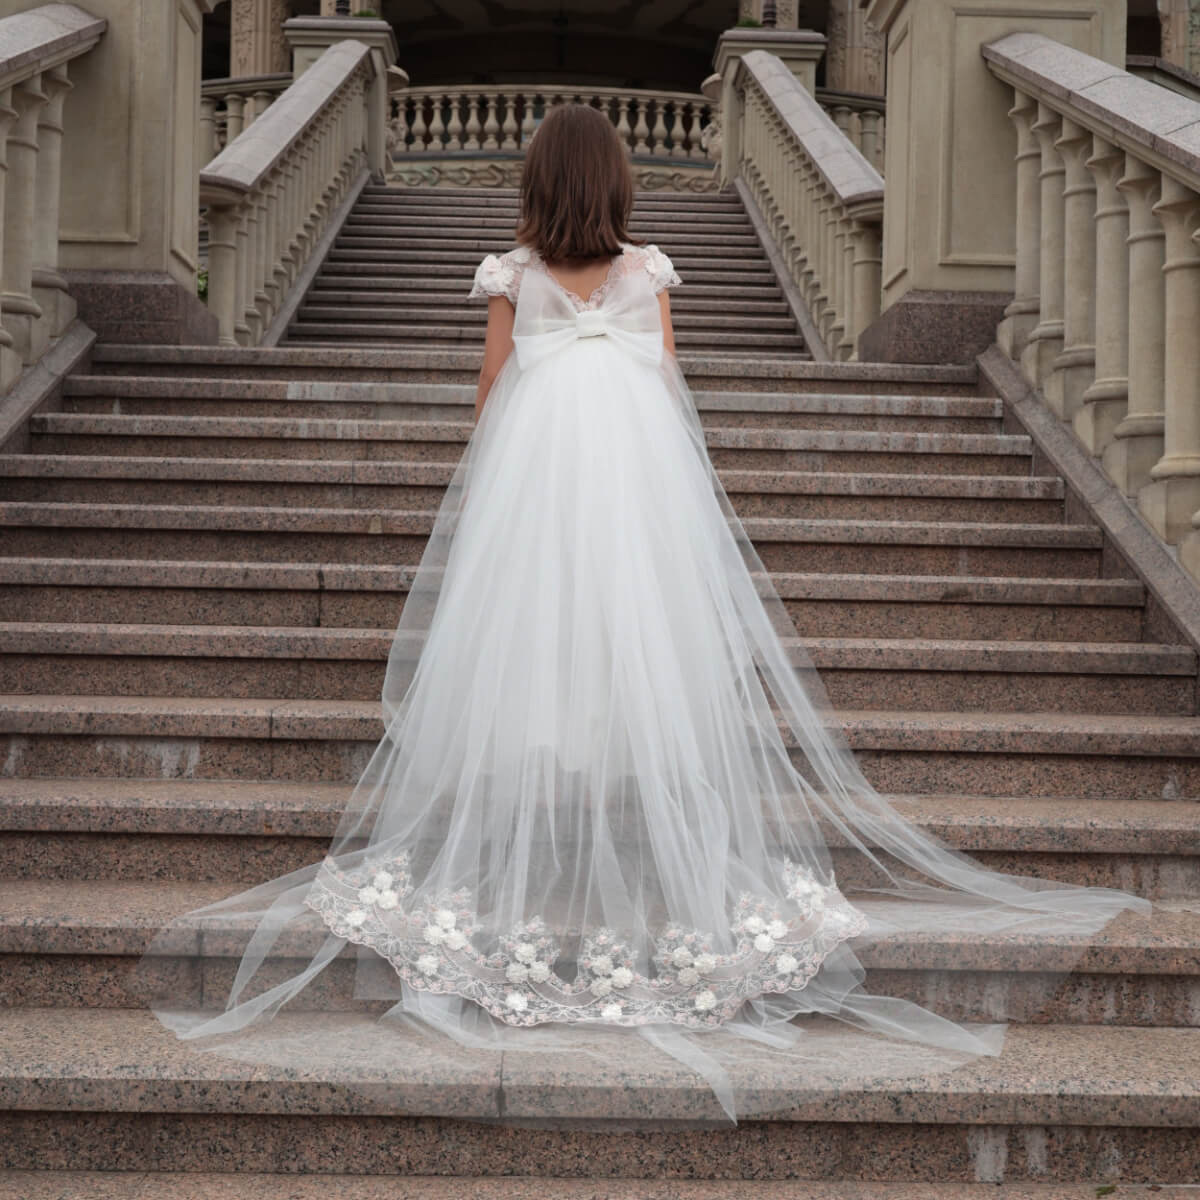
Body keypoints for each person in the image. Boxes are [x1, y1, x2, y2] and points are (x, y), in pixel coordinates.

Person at [146, 104, 1146, 1120]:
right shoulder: (646, 273)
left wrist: (502, 480)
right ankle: (646, 840)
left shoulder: (515, 276)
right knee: (637, 639)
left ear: (537, 185)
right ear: (619, 184)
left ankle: (533, 843)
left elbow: (492, 393)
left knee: (535, 639)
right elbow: (667, 383)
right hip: (633, 485)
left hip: (541, 487)